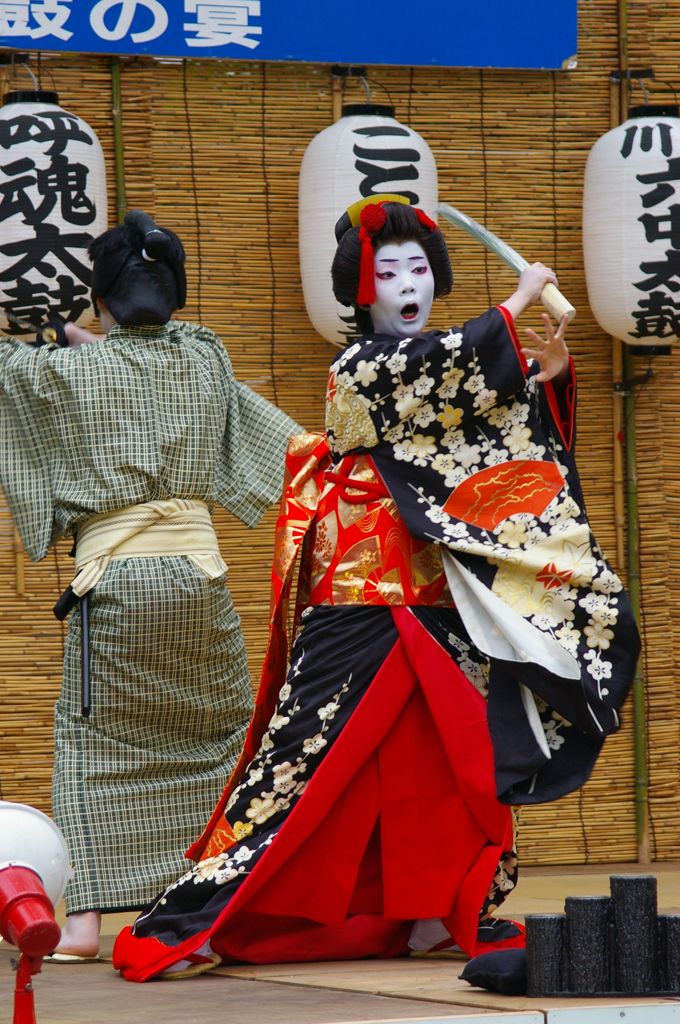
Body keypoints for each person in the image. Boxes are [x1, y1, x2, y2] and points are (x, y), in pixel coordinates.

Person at [112, 196, 639, 982]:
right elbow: (440, 370)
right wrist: (520, 297)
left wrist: (545, 381)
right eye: (388, 270)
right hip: (358, 588)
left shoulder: (456, 363)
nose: (407, 282)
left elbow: (498, 434)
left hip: (443, 590)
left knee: (457, 760)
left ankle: (437, 909)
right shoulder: (359, 367)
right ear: (362, 290)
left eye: (419, 268)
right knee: (301, 755)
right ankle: (207, 910)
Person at [0, 210, 300, 960]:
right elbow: (277, 442)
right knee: (225, 737)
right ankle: (203, 908)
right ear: (176, 298)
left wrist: (62, 336)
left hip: (116, 585)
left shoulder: (60, 374)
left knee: (90, 741)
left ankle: (82, 926)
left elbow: (24, 374)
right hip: (200, 581)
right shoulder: (203, 357)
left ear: (99, 301)